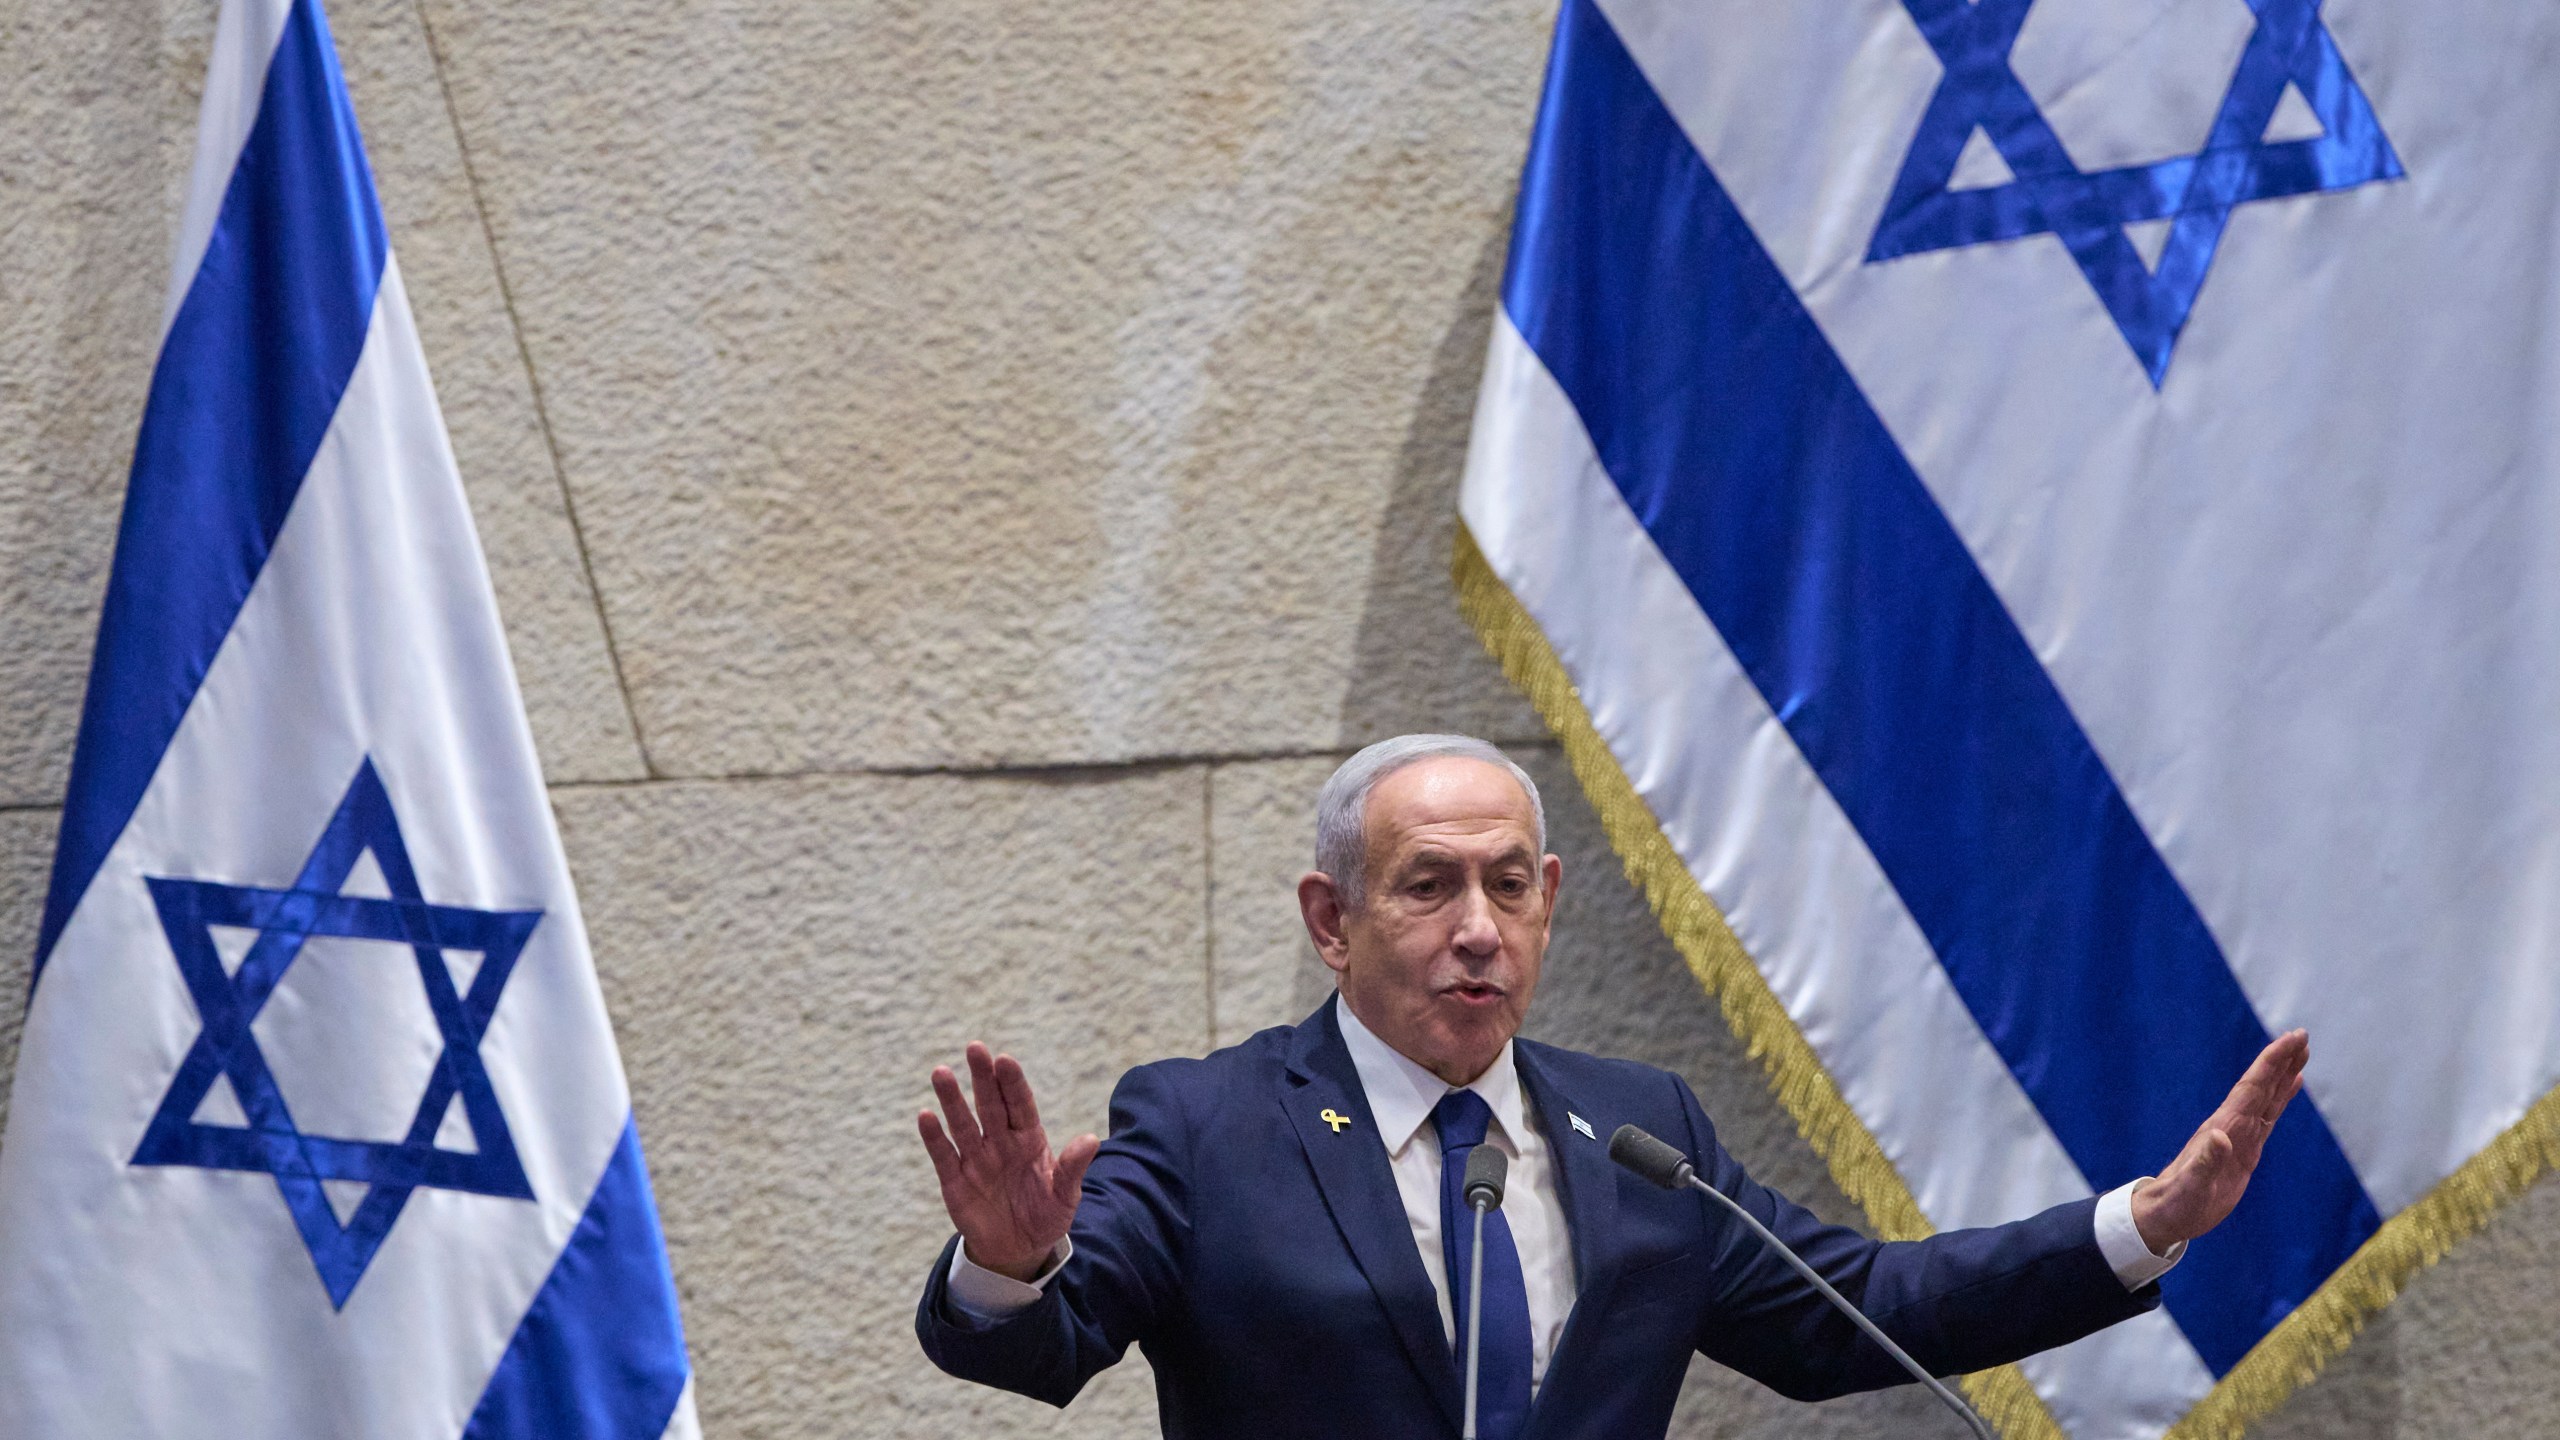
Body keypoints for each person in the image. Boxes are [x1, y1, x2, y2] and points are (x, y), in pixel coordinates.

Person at [913, 734, 2308, 1438]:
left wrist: (2148, 1222)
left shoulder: (1640, 1132)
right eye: (1428, 886)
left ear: (1549, 900)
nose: (1478, 926)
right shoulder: (1205, 1123)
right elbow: (1043, 1349)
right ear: (1329, 921)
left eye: (1508, 886)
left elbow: (1859, 1316)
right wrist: (1010, 1263)